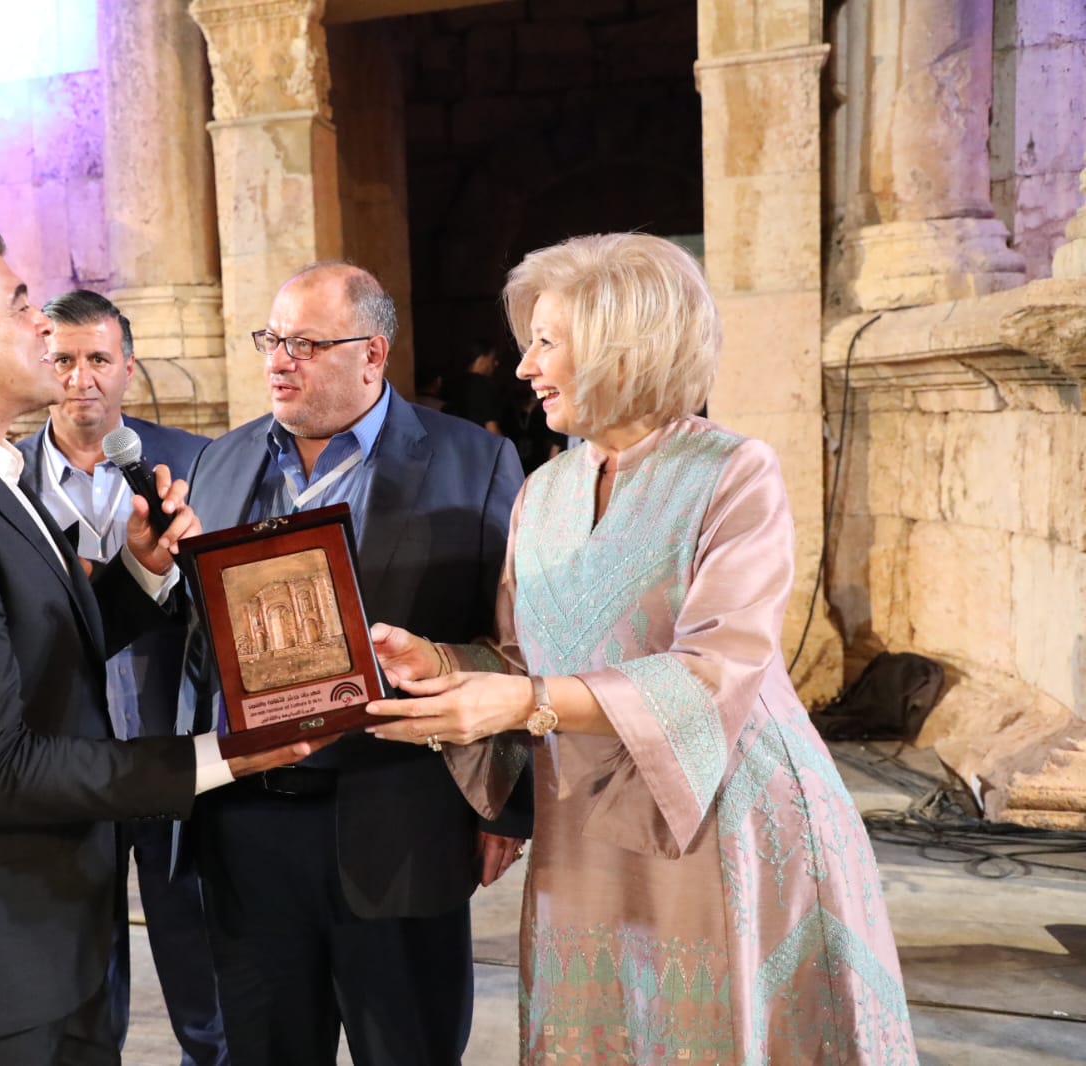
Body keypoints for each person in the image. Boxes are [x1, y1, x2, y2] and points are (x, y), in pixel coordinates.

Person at [365, 233, 915, 1064]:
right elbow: (521, 661)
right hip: (581, 826)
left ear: (623, 347)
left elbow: (716, 666)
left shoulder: (733, 471)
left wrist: (524, 702)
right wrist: (439, 663)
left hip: (719, 811)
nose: (525, 368)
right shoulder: (542, 491)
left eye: (545, 343)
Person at [0, 213, 320, 1066]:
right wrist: (218, 756)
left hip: (45, 927)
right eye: (18, 306)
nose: (42, 327)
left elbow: (26, 646)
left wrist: (140, 574)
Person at [179, 261, 527, 1065]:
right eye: (271, 340)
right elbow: (198, 646)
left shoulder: (471, 462)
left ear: (372, 353)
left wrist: (503, 805)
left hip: (398, 817)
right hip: (247, 826)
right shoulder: (219, 461)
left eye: (304, 344)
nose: (278, 361)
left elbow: (513, 639)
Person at [16, 289, 225, 1066]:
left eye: (99, 359)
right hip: (61, 759)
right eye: (64, 360)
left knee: (201, 970)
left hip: (172, 745)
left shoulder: (199, 463)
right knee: (79, 980)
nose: (81, 379)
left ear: (127, 368)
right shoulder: (2, 480)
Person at [442, 339, 502, 434]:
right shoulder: (484, 385)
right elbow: (492, 428)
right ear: (481, 359)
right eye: (493, 359)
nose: (496, 363)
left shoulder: (451, 384)